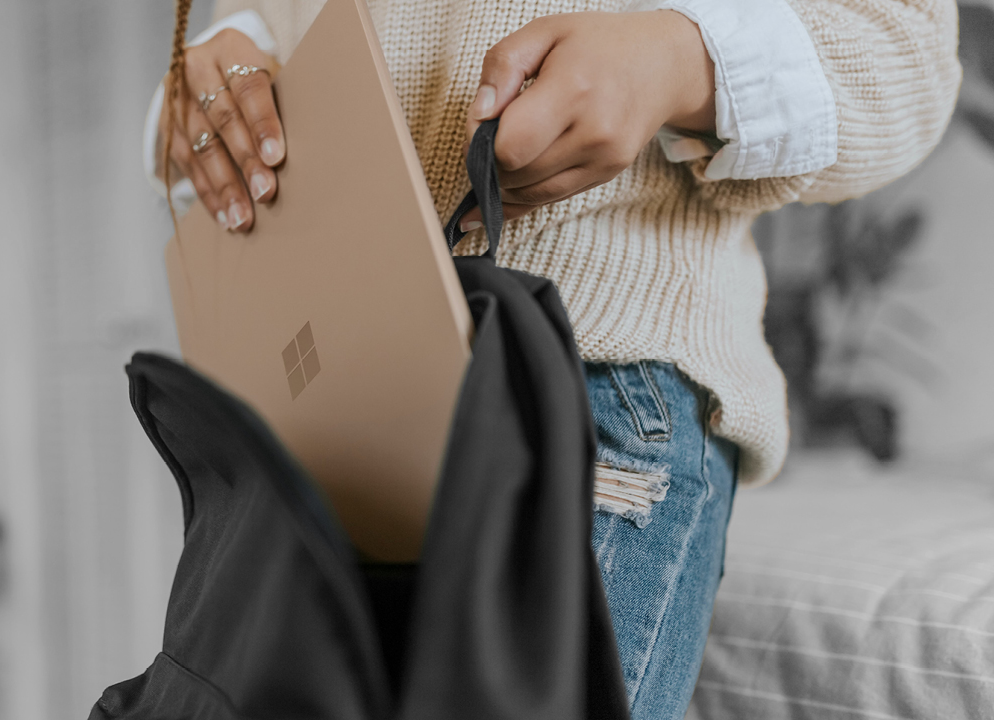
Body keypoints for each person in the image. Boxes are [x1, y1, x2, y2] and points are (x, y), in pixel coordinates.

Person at [142, 0, 961, 717]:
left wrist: (679, 60)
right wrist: (225, 66)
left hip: (590, 380)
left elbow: (908, 49)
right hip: (323, 390)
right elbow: (265, 23)